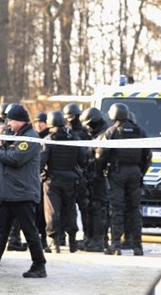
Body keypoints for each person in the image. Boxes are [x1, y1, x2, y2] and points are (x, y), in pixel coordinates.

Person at [0, 104, 47, 278]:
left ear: (19, 121)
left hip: (23, 194)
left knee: (29, 231)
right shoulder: (15, 136)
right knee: (1, 230)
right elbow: (7, 152)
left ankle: (39, 265)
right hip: (10, 194)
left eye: (11, 120)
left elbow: (16, 159)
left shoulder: (30, 138)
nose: (8, 123)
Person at [95, 103, 151, 256]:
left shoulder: (111, 132)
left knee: (117, 209)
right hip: (134, 173)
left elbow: (100, 154)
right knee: (134, 210)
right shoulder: (140, 131)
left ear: (113, 115)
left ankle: (116, 245)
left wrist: (100, 172)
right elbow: (148, 155)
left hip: (117, 174)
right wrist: (140, 172)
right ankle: (137, 246)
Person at [40, 111, 87, 253]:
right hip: (71, 180)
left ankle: (55, 242)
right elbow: (83, 158)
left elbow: (41, 161)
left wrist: (42, 176)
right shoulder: (74, 138)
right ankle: (72, 241)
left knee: (52, 211)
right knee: (70, 210)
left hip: (52, 180)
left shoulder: (48, 140)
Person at [0, 103, 26, 251]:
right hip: (7, 172)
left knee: (1, 207)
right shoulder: (6, 132)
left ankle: (3, 239)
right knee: (10, 208)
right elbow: (10, 154)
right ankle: (13, 239)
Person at [79, 107, 111, 252]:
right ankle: (93, 239)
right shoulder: (95, 134)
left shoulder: (105, 135)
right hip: (93, 177)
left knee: (99, 210)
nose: (87, 127)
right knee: (92, 209)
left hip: (100, 178)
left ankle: (99, 241)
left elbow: (100, 158)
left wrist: (96, 173)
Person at [63, 103, 90, 248]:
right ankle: (66, 238)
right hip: (70, 175)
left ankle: (86, 236)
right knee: (67, 208)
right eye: (68, 118)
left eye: (72, 117)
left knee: (84, 208)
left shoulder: (84, 133)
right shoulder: (65, 133)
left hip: (81, 176)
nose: (70, 120)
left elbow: (87, 155)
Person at [32, 111, 50, 251]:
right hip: (36, 179)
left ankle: (45, 239)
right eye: (36, 122)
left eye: (41, 122)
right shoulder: (34, 136)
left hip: (46, 179)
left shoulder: (50, 137)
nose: (38, 125)